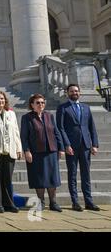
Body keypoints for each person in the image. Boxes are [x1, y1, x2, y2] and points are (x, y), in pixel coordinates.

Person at [56, 84, 100, 212]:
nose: (74, 93)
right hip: (72, 147)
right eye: (71, 91)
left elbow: (91, 127)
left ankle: (89, 201)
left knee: (86, 174)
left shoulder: (86, 107)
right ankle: (75, 202)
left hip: (86, 145)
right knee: (73, 174)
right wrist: (66, 145)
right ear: (67, 93)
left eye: (76, 91)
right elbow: (60, 128)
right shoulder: (62, 108)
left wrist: (95, 144)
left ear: (79, 93)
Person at [21, 94, 64, 212]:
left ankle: (53, 202)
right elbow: (24, 136)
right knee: (39, 178)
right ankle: (41, 202)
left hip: (51, 151)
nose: (41, 105)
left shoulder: (49, 116)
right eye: (38, 102)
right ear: (32, 105)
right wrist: (26, 150)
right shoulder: (27, 118)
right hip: (36, 153)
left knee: (52, 178)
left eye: (42, 102)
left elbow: (56, 132)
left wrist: (61, 148)